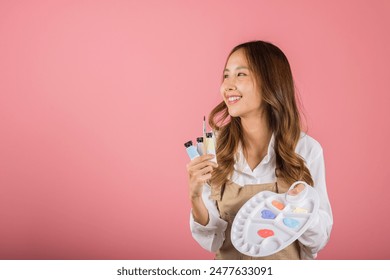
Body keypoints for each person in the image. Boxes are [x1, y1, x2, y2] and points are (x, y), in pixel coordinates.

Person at [186, 40, 333, 260]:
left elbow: (317, 241)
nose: (228, 86)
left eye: (241, 75)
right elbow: (212, 241)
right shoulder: (212, 148)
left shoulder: (306, 150)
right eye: (226, 75)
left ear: (269, 82)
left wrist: (300, 206)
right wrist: (195, 196)